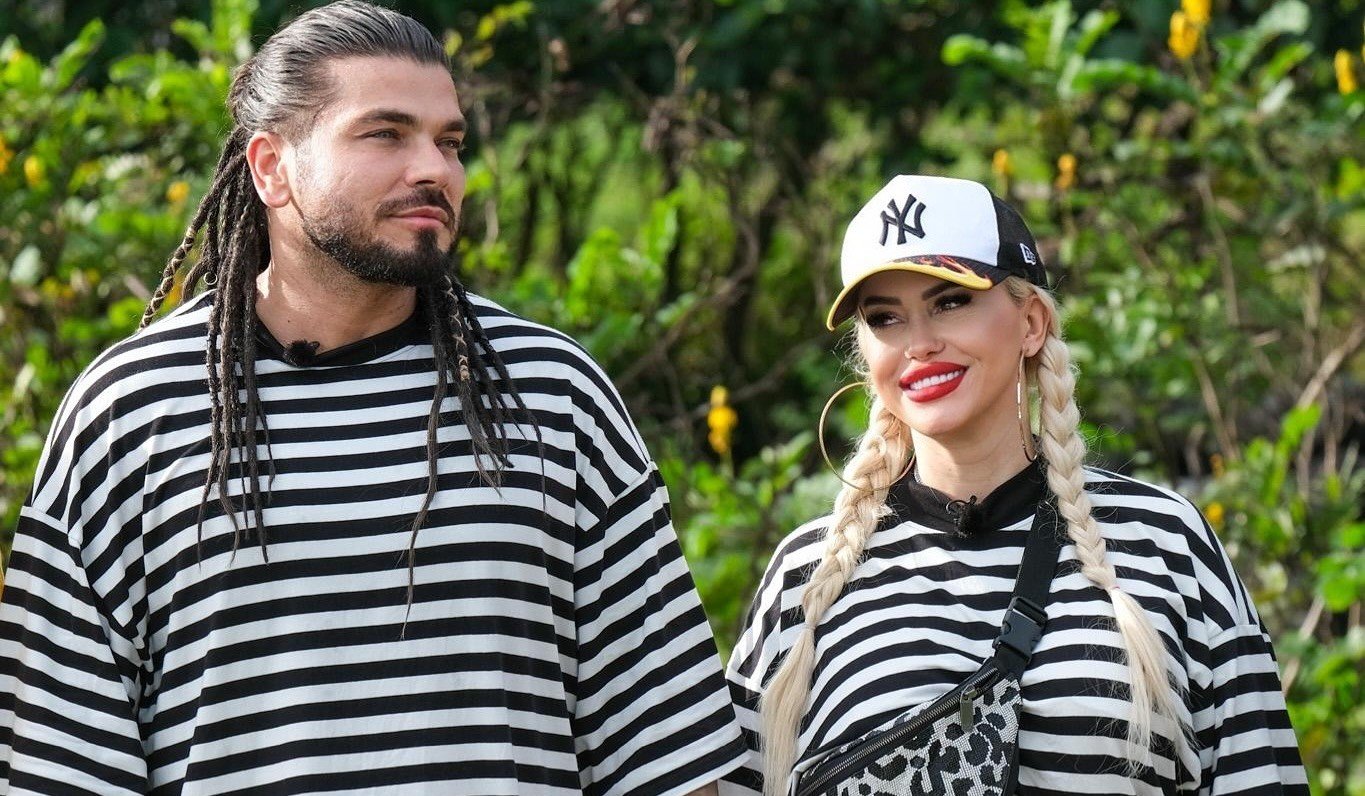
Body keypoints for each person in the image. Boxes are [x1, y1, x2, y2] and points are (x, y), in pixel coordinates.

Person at [0, 3, 745, 793]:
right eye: (385, 134)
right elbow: (61, 766)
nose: (434, 169)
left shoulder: (553, 396)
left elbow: (668, 755)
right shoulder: (131, 412)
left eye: (449, 142)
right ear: (271, 167)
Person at [720, 175, 1307, 795]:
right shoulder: (805, 579)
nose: (920, 344)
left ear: (1031, 322)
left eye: (951, 302)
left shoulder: (1165, 542)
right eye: (885, 318)